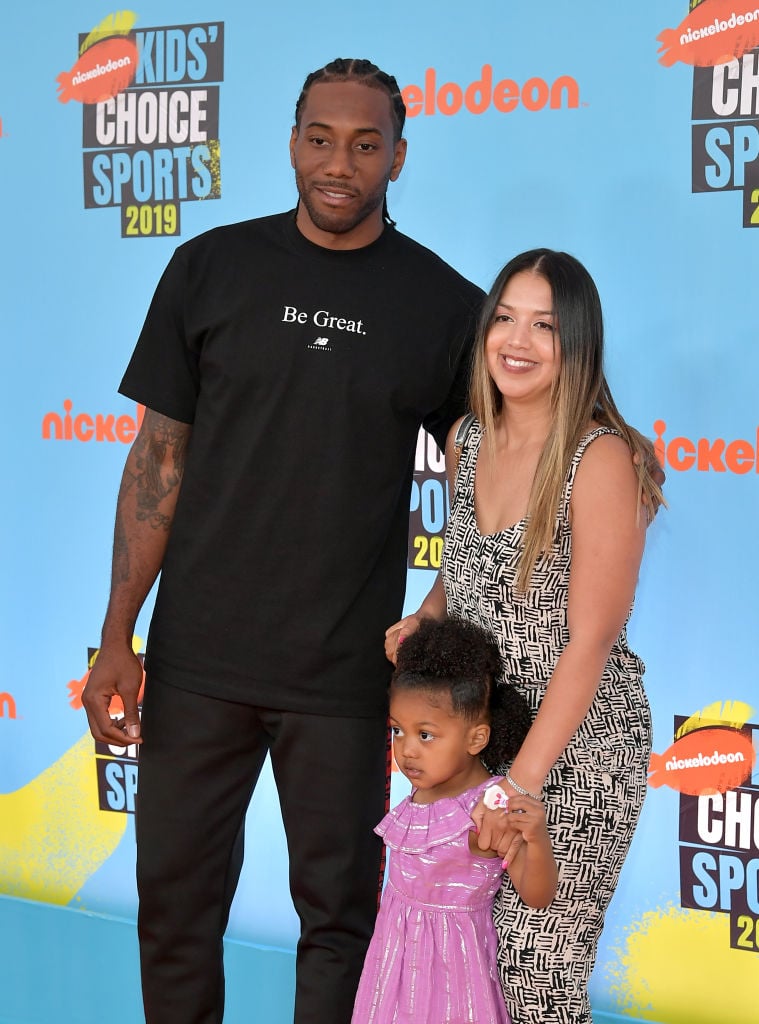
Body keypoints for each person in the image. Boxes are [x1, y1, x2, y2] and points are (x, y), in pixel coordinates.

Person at [80, 59, 485, 1024]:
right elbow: (157, 466)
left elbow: (487, 485)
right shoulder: (212, 266)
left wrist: (438, 605)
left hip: (343, 680)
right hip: (197, 661)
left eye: (363, 143)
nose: (338, 163)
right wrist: (114, 637)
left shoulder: (442, 304)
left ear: (397, 155)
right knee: (175, 911)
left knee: (340, 921)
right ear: (292, 139)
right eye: (319, 138)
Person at [385, 249, 664, 1024]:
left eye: (544, 325)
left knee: (534, 975)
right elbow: (466, 566)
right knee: (466, 970)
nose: (517, 339)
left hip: (574, 751)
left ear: (576, 343)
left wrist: (521, 784)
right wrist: (424, 617)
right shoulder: (468, 438)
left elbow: (591, 640)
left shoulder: (598, 457)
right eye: (504, 317)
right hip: (484, 734)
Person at [352, 617, 557, 1024]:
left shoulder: (487, 809)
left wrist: (536, 838)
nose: (407, 750)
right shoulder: (426, 786)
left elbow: (537, 895)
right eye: (398, 732)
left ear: (476, 738)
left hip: (451, 978)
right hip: (393, 965)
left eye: (425, 735)